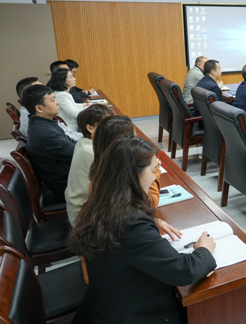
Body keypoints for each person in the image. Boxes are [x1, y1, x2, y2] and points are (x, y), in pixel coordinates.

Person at [69, 135, 216, 323]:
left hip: (106, 303)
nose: (155, 177)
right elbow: (183, 271)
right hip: (131, 315)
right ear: (133, 175)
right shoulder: (131, 223)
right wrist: (204, 250)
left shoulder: (102, 202)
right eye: (153, 170)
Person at [22, 85, 76, 203]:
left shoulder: (44, 123)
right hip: (69, 188)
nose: (58, 102)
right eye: (53, 100)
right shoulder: (45, 133)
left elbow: (72, 143)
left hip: (71, 177)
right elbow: (78, 154)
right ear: (39, 108)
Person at [65, 105, 114, 226]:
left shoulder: (85, 142)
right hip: (83, 216)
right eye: (107, 124)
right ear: (90, 128)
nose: (112, 127)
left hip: (85, 208)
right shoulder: (91, 152)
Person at [16, 77, 83, 141]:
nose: (44, 89)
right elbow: (66, 139)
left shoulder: (37, 113)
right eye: (39, 88)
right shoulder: (36, 121)